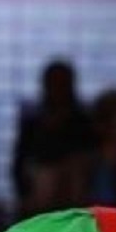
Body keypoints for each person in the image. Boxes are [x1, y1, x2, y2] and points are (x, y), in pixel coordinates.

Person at [10, 60, 93, 216]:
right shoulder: (33, 122)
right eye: (54, 83)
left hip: (75, 189)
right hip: (41, 188)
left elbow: (91, 157)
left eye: (62, 83)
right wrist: (25, 195)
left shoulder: (84, 121)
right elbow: (19, 163)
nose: (58, 89)